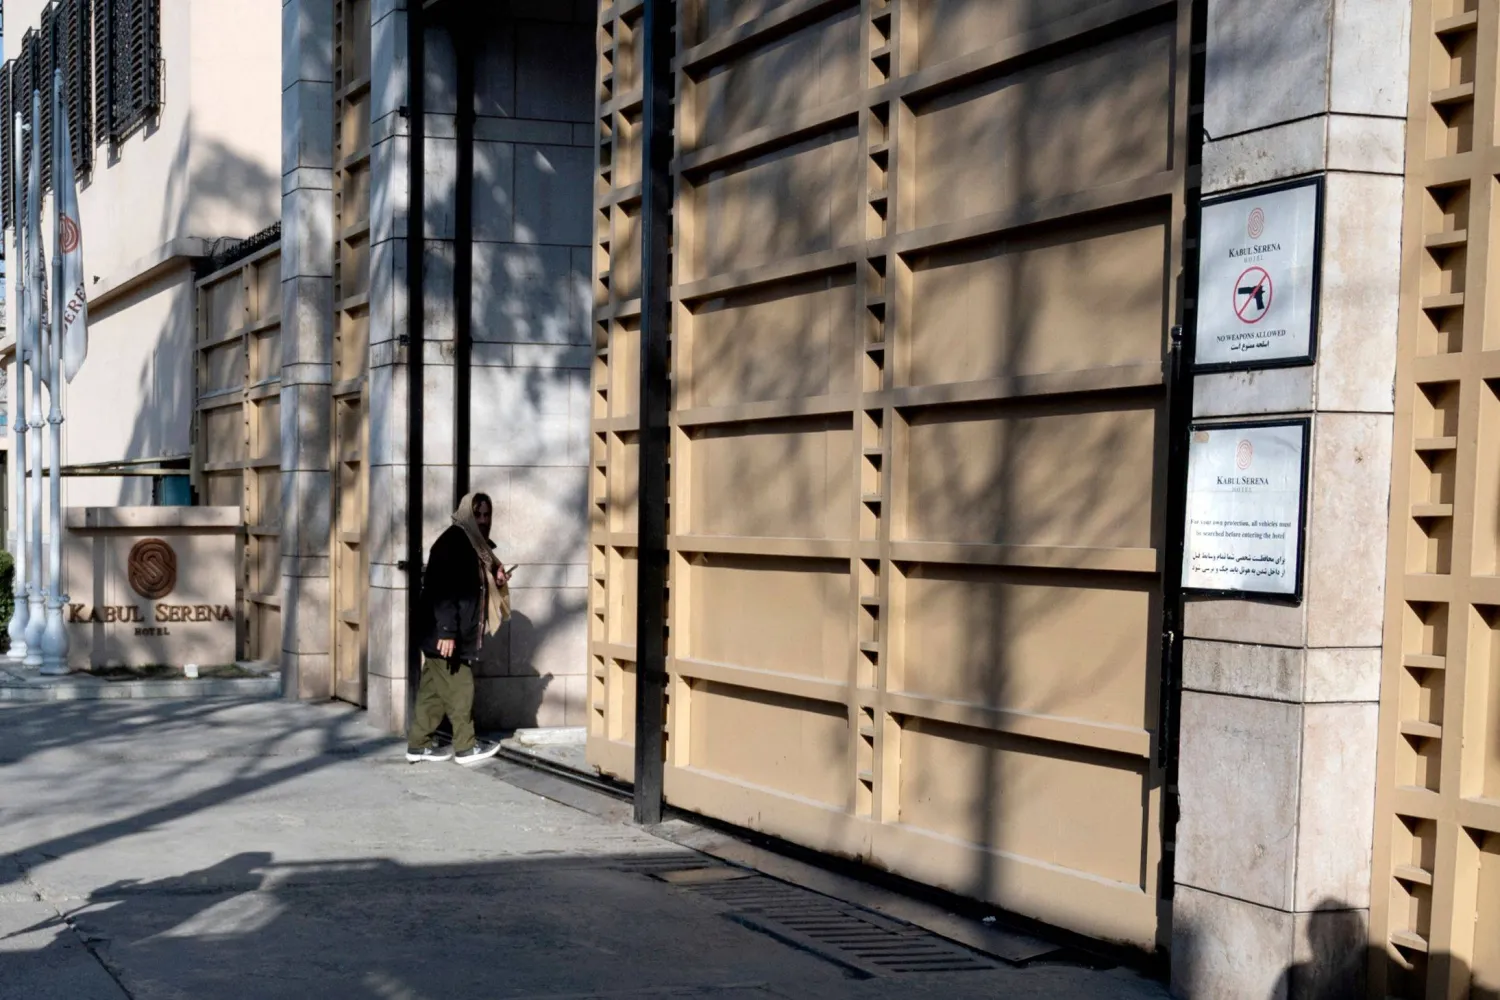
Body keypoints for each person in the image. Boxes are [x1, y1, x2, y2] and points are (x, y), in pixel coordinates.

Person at [406, 492, 511, 766]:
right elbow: (443, 591)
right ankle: (466, 746)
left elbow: (479, 580)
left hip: (443, 631)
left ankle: (419, 745)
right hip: (441, 631)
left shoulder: (475, 546)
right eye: (478, 515)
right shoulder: (452, 544)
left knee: (432, 692)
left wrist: (496, 577)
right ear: (466, 514)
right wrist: (447, 632)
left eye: (487, 515)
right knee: (461, 687)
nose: (484, 520)